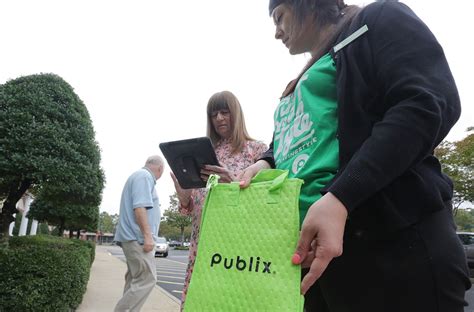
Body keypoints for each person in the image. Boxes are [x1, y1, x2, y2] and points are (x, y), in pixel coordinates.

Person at [238, 1, 471, 311]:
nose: (277, 32)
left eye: (279, 17)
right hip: (316, 259)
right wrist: (266, 160)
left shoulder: (376, 19)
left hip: (392, 249)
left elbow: (426, 102)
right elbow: (301, 137)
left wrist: (342, 196)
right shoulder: (306, 74)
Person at [171, 90, 267, 310]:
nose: (219, 119)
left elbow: (264, 201)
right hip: (202, 241)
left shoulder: (257, 151)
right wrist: (185, 198)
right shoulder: (204, 152)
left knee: (228, 301)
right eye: (214, 114)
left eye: (225, 112)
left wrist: (233, 184)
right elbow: (191, 208)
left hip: (236, 244)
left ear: (236, 114)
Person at [114, 155, 164, 312]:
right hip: (138, 239)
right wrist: (148, 237)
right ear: (160, 169)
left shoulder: (138, 176)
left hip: (131, 237)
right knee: (147, 279)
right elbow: (140, 207)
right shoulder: (144, 176)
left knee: (134, 279)